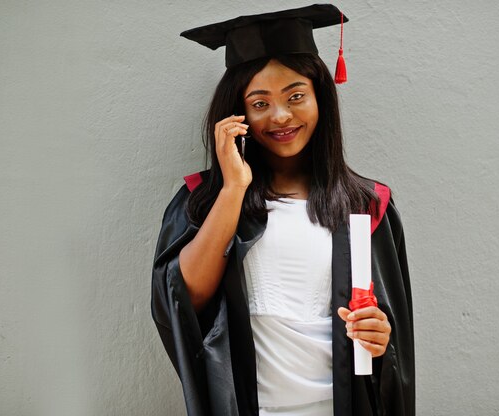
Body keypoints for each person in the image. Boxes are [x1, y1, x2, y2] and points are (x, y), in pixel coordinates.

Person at [151, 4, 414, 415]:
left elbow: (391, 346)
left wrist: (382, 338)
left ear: (320, 98)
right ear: (237, 114)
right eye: (259, 103)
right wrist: (234, 186)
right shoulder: (202, 200)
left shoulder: (367, 204)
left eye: (296, 96)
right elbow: (185, 300)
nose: (280, 116)